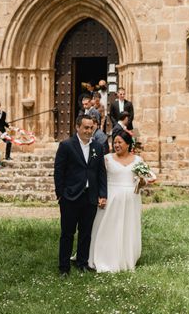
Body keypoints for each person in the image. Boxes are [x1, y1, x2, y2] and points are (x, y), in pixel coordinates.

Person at [89, 130, 152, 272]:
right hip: (111, 199)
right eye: (114, 142)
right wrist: (100, 196)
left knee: (127, 227)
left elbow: (143, 181)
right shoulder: (107, 158)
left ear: (128, 144)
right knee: (108, 227)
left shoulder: (138, 160)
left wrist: (142, 182)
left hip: (131, 200)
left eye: (119, 142)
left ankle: (125, 258)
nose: (116, 145)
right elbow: (98, 178)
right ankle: (104, 257)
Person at [53, 115, 107, 276]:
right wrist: (60, 194)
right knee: (67, 233)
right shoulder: (66, 145)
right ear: (77, 127)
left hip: (90, 197)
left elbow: (100, 172)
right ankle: (64, 267)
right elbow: (58, 171)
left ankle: (82, 263)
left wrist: (102, 194)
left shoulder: (98, 147)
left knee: (86, 233)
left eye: (91, 127)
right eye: (85, 127)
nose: (89, 130)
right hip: (70, 197)